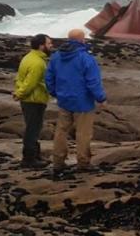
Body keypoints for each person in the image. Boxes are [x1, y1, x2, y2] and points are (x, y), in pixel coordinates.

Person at [46, 28, 107, 175]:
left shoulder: (56, 56)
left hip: (64, 99)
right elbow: (93, 82)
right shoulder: (86, 58)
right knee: (83, 133)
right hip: (83, 102)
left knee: (61, 131)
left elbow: (49, 77)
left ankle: (58, 162)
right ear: (82, 40)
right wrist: (101, 98)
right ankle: (83, 162)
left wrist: (55, 92)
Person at [13, 33, 53, 167]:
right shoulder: (37, 62)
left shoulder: (29, 57)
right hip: (33, 100)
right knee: (33, 129)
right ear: (41, 46)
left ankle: (35, 156)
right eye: (49, 43)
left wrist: (19, 92)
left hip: (30, 99)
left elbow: (20, 78)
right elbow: (30, 83)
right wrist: (19, 93)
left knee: (33, 128)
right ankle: (29, 159)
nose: (51, 46)